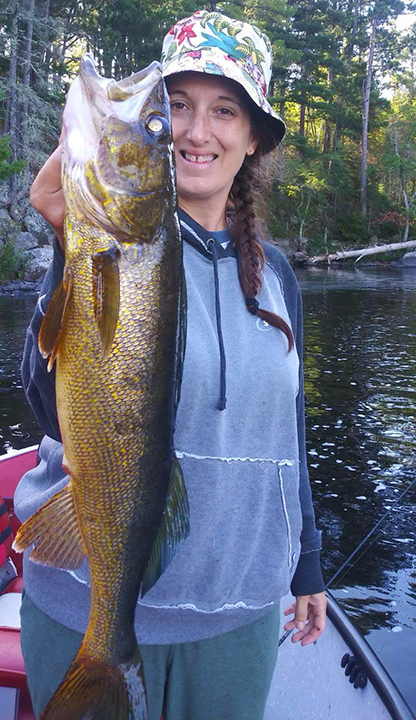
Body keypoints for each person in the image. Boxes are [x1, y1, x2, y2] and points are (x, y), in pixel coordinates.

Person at [15, 10, 327, 720]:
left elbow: (289, 430)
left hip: (235, 618)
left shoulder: (277, 277)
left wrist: (307, 562)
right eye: (174, 108)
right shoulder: (104, 245)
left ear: (252, 140)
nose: (194, 131)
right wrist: (69, 248)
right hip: (77, 606)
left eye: (224, 111)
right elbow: (45, 400)